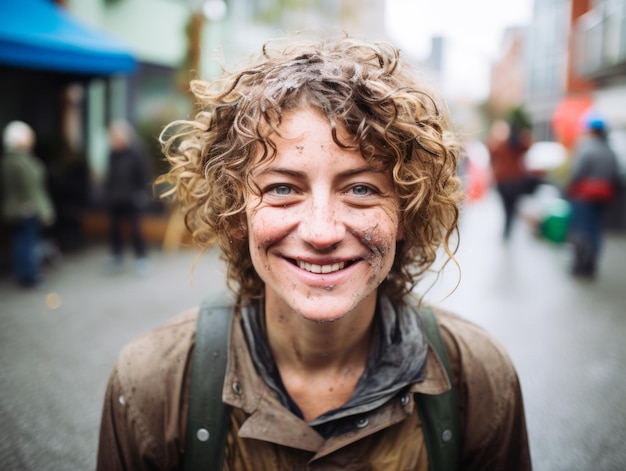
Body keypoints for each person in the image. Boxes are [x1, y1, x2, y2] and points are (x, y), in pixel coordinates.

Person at [97, 36, 531, 470]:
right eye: (283, 188)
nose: (321, 232)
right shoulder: (151, 385)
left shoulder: (479, 378)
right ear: (236, 213)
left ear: (406, 214)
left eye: (361, 189)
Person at [0, 120, 56, 288]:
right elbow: (32, 189)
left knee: (20, 242)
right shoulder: (21, 161)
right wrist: (45, 210)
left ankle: (23, 274)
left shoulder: (8, 160)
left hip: (13, 209)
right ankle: (29, 276)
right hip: (27, 209)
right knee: (27, 243)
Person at [566, 112, 621, 278]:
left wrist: (569, 186)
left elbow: (577, 172)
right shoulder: (609, 150)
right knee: (596, 228)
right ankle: (592, 261)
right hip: (603, 196)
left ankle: (582, 263)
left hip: (584, 196)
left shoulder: (585, 148)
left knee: (582, 228)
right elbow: (615, 175)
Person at [103, 120, 151, 276]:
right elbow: (109, 176)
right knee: (114, 230)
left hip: (132, 199)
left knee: (136, 230)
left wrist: (142, 194)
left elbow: (144, 174)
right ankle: (116, 256)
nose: (115, 139)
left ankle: (141, 259)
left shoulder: (136, 152)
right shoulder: (112, 153)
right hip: (115, 199)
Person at [487, 117, 533, 240]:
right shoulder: (517, 144)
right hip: (515, 179)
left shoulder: (502, 144)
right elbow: (529, 145)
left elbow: (492, 152)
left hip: (503, 179)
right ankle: (508, 227)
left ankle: (507, 227)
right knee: (512, 206)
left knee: (507, 206)